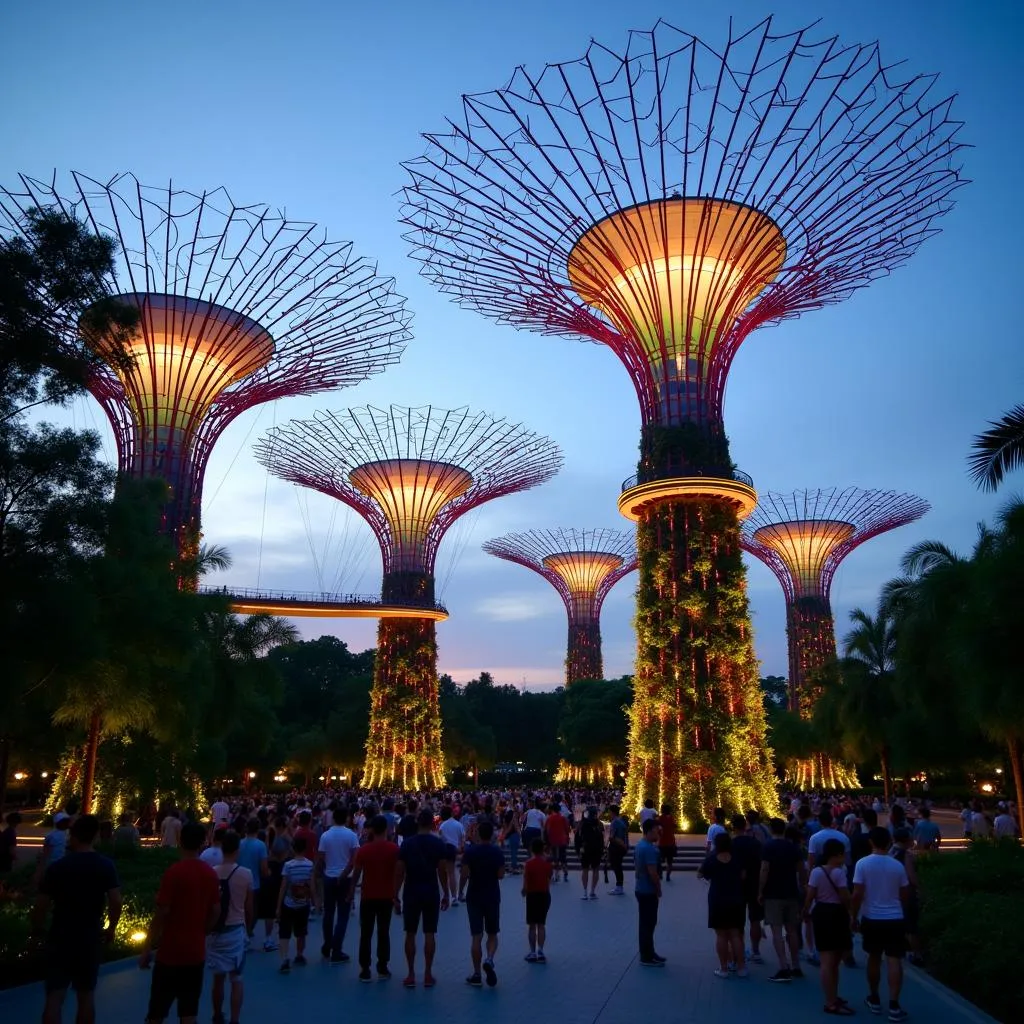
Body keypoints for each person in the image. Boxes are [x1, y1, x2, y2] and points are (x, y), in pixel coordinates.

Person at [30, 814, 122, 1024]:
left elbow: (41, 905)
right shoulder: (105, 865)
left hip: (60, 933)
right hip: (89, 935)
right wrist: (111, 927)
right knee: (86, 995)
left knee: (55, 996)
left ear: (73, 835)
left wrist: (37, 929)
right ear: (95, 836)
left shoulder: (58, 868)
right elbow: (115, 901)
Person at [139, 822, 220, 1024]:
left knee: (157, 1011)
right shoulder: (210, 874)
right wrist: (203, 930)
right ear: (203, 843)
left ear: (181, 841)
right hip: (195, 952)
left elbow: (162, 911)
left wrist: (148, 945)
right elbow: (216, 910)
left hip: (170, 952)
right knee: (189, 1011)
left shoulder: (174, 873)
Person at [851, 826, 910, 1022]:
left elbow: (857, 893)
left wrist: (853, 916)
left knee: (874, 958)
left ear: (871, 842)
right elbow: (904, 894)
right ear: (889, 842)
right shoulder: (897, 866)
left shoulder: (862, 864)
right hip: (894, 917)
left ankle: (874, 997)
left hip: (871, 917)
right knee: (894, 960)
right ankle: (894, 1004)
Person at [395, 807, 450, 988]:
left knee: (410, 933)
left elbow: (400, 872)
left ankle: (411, 973)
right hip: (431, 889)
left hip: (411, 889)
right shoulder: (438, 844)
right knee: (429, 933)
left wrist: (395, 894)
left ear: (418, 823)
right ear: (432, 824)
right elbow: (442, 870)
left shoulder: (407, 844)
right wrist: (446, 893)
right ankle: (427, 973)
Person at [207, 831, 254, 1024]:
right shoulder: (245, 874)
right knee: (236, 978)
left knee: (218, 978)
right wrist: (248, 928)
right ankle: (235, 1019)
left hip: (215, 931)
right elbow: (249, 906)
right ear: (237, 850)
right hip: (236, 930)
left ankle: (217, 1015)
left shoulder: (212, 873)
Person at [803, 837, 854, 1016]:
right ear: (837, 854)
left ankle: (831, 997)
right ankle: (831, 1001)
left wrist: (805, 911)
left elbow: (810, 895)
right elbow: (845, 897)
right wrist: (852, 914)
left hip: (821, 913)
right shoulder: (839, 873)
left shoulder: (817, 872)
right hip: (836, 914)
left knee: (826, 958)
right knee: (833, 961)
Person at [345, 815, 399, 982]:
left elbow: (357, 873)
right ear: (387, 829)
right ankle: (382, 966)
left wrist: (351, 890)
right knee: (384, 932)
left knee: (366, 933)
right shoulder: (394, 849)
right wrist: (396, 896)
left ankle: (365, 969)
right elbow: (398, 873)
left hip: (368, 896)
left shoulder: (364, 850)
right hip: (386, 896)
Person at [759, 817, 806, 982]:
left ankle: (783, 966)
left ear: (771, 830)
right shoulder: (793, 848)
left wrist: (760, 891)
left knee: (777, 932)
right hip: (791, 892)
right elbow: (802, 870)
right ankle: (796, 965)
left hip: (773, 894)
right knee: (792, 930)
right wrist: (803, 888)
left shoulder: (768, 847)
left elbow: (765, 869)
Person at [461, 819, 506, 987]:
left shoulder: (470, 852)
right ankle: (489, 958)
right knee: (492, 933)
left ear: (478, 834)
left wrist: (459, 891)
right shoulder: (497, 852)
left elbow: (464, 874)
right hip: (492, 895)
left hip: (474, 895)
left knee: (476, 936)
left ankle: (477, 973)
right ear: (492, 835)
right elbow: (501, 875)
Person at [699, 831, 748, 978]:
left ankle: (724, 968)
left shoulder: (712, 859)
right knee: (735, 934)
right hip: (736, 898)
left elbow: (700, 874)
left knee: (721, 935)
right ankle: (741, 967)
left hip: (718, 898)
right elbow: (743, 876)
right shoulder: (737, 858)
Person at [317, 805, 359, 964]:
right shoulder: (351, 835)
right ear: (347, 818)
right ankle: (337, 948)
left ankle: (327, 944)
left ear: (334, 818)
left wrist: (325, 871)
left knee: (328, 912)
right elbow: (354, 859)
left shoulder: (325, 836)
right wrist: (345, 873)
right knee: (343, 914)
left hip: (329, 876)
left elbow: (320, 857)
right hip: (345, 878)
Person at [275, 835, 316, 974]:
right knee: (301, 931)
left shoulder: (288, 865)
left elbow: (283, 886)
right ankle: (299, 954)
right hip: (303, 904)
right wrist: (314, 901)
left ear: (292, 849)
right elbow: (312, 886)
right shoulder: (310, 865)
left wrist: (278, 906)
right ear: (305, 849)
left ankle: (285, 958)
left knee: (284, 932)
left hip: (288, 903)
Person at [730, 813, 764, 964]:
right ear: (745, 827)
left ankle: (739, 950)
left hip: (737, 886)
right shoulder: (755, 844)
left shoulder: (731, 844)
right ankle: (755, 950)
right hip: (754, 884)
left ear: (733, 827)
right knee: (755, 919)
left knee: (738, 921)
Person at [634, 818, 665, 967]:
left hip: (641, 888)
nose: (659, 832)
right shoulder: (648, 849)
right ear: (650, 831)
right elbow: (653, 873)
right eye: (657, 830)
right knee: (648, 923)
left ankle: (649, 952)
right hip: (648, 890)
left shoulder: (641, 845)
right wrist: (658, 889)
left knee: (647, 923)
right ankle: (646, 956)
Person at [236, 820, 270, 951]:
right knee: (253, 910)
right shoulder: (260, 845)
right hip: (254, 883)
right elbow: (264, 868)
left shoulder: (239, 844)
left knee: (240, 909)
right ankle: (247, 931)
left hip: (239, 881)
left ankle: (242, 932)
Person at [522, 838, 553, 963]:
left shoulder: (528, 864)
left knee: (531, 925)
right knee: (541, 924)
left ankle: (532, 952)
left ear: (531, 850)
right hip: (544, 894)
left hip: (532, 895)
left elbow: (526, 881)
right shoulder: (547, 864)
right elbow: (549, 878)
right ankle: (541, 951)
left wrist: (524, 890)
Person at [438, 805, 466, 906]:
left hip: (443, 849)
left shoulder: (442, 825)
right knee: (451, 873)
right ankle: (454, 897)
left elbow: (440, 837)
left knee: (442, 874)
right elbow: (463, 839)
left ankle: (446, 894)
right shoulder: (459, 825)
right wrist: (460, 848)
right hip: (453, 850)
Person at [576, 806, 605, 900]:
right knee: (595, 870)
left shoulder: (582, 824)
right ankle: (592, 891)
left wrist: (578, 850)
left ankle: (585, 892)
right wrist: (602, 849)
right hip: (596, 850)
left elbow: (578, 838)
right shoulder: (599, 824)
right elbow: (602, 838)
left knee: (585, 870)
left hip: (585, 849)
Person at [544, 801, 570, 883]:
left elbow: (547, 830)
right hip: (562, 840)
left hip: (553, 840)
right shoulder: (563, 818)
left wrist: (546, 841)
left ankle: (556, 875)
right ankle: (565, 874)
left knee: (554, 857)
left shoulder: (549, 818)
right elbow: (567, 829)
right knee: (563, 857)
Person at [607, 804, 629, 896]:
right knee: (618, 866)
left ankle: (619, 887)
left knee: (616, 866)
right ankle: (619, 886)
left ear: (612, 812)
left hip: (617, 847)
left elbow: (612, 836)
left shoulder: (615, 822)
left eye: (609, 812)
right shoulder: (621, 821)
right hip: (622, 846)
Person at [657, 803, 677, 882]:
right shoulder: (671, 818)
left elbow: (658, 828)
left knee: (659, 860)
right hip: (671, 842)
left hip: (662, 842)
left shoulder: (661, 818)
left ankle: (660, 874)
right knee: (670, 861)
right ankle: (668, 876)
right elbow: (675, 826)